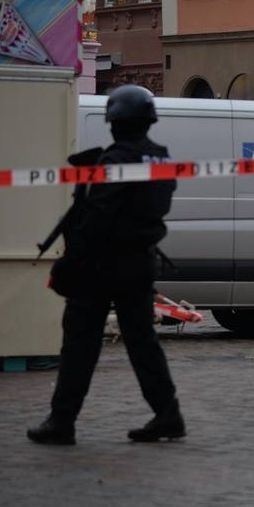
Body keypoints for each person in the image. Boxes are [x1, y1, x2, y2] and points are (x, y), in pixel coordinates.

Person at [27, 85, 183, 445]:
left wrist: (71, 262)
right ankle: (168, 414)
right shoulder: (161, 159)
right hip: (140, 262)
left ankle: (62, 421)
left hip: (102, 265)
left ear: (115, 122)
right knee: (143, 343)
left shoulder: (115, 161)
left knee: (80, 344)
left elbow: (98, 217)